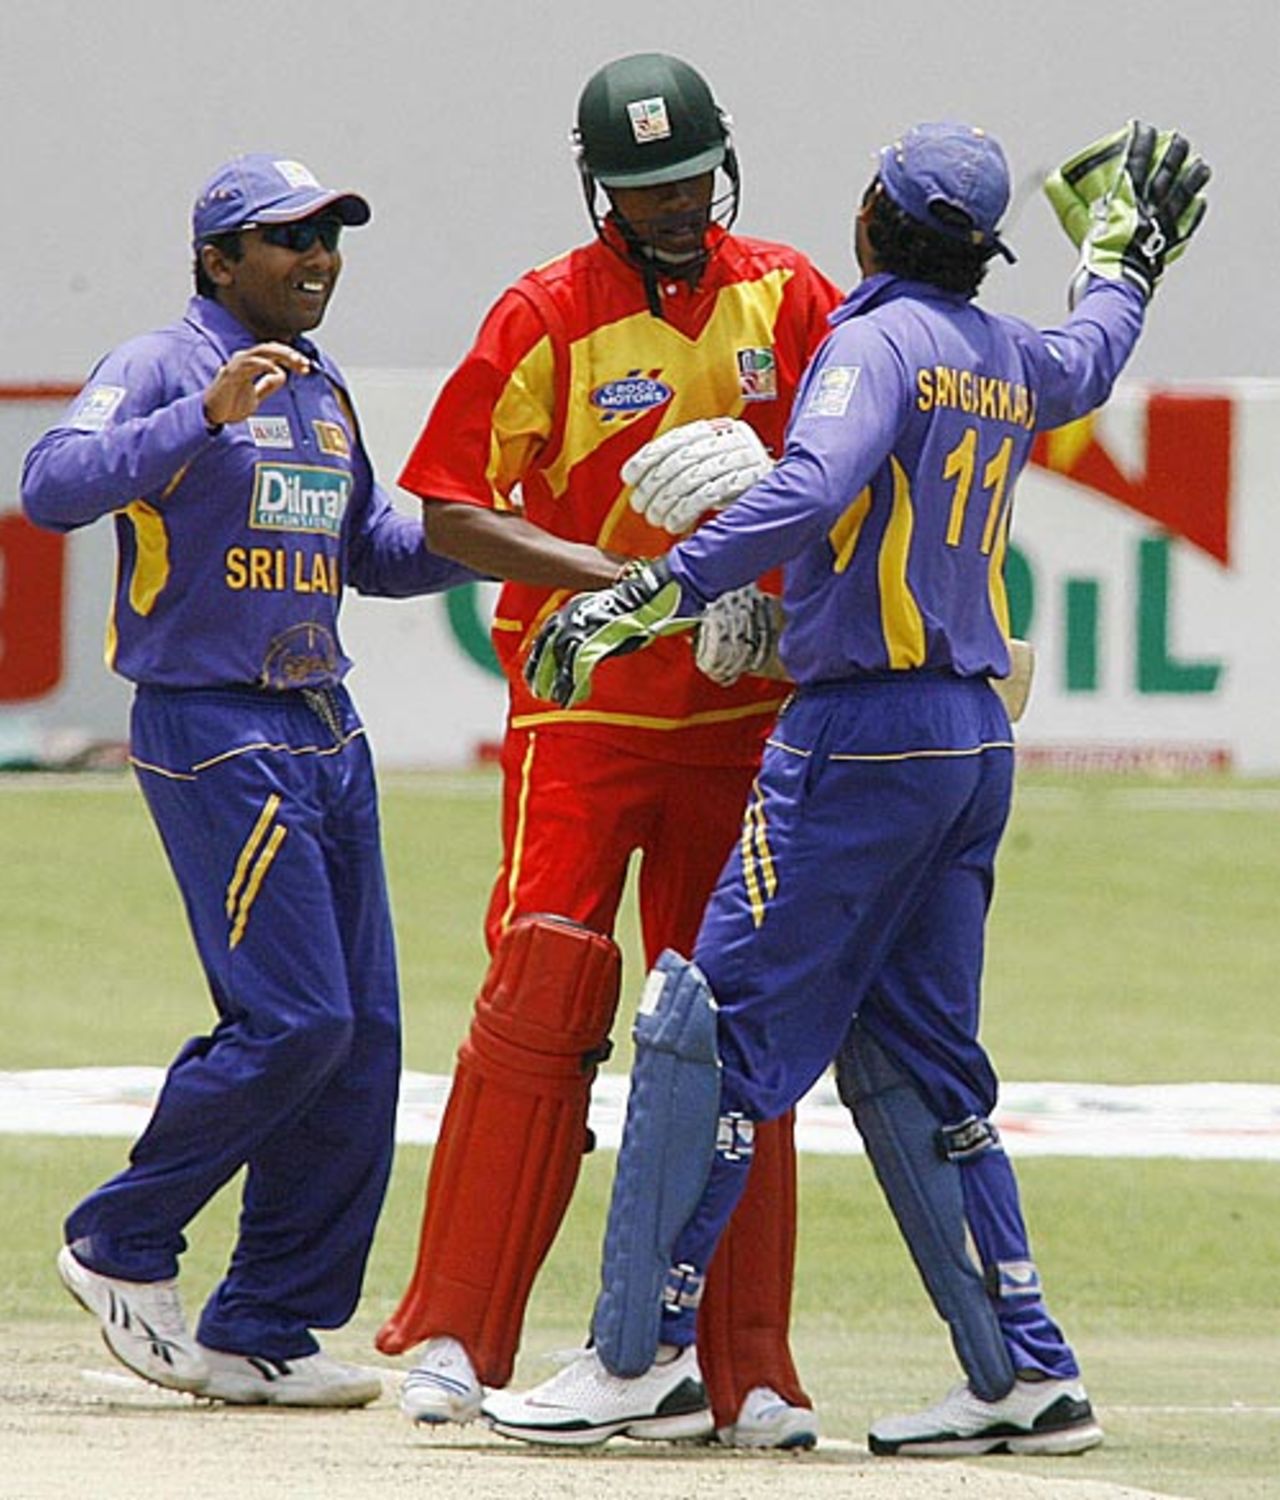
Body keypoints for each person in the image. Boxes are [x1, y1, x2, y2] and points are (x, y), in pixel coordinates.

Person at [480, 120, 1211, 1453]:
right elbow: (1092, 351)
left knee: (708, 1030)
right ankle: (1022, 1373)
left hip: (858, 740)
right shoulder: (1004, 355)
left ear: (873, 216)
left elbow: (814, 483)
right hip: (968, 739)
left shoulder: (871, 343)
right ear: (979, 250)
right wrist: (1121, 259)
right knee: (920, 1059)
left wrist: (659, 586)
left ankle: (633, 1360)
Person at [375, 53, 842, 1447]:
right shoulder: (545, 313)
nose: (676, 205)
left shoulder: (791, 295)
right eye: (645, 189)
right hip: (584, 708)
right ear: (601, 195)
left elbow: (853, 468)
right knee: (544, 991)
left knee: (727, 1027)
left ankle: (748, 1359)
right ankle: (456, 1331)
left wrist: (777, 597)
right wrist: (616, 578)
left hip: (743, 718)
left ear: (727, 165)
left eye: (691, 177)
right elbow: (447, 507)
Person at [22, 153, 476, 1407]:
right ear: (218, 260)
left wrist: (495, 532)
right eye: (287, 240)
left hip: (326, 726)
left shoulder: (324, 389)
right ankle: (120, 1242)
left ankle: (262, 1325)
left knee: (365, 1041)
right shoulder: (160, 364)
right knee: (295, 1024)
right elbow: (52, 488)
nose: (317, 258)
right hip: (213, 728)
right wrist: (205, 415)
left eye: (329, 237)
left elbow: (372, 554)